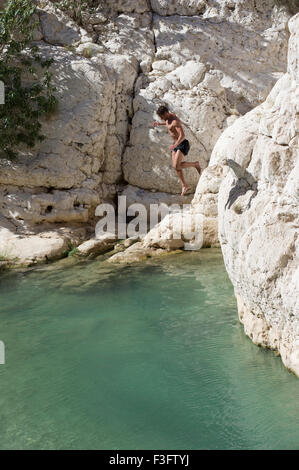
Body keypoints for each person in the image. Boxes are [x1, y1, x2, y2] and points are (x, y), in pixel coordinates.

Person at [153, 105, 201, 196]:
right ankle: (184, 185)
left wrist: (175, 144)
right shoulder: (167, 118)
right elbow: (168, 124)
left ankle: (195, 164)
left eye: (162, 117)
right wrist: (159, 124)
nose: (161, 118)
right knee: (176, 167)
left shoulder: (175, 121)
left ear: (166, 113)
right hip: (176, 145)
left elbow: (182, 136)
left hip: (182, 144)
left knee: (176, 165)